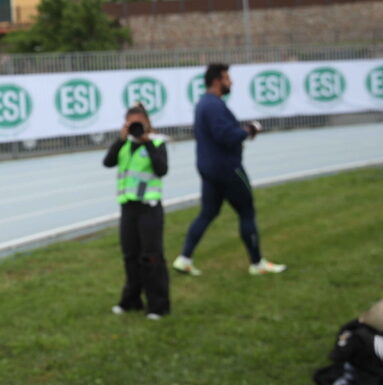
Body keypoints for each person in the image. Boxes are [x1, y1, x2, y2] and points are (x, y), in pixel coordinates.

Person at [172, 63, 286, 276]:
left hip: (209, 167)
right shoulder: (214, 105)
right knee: (246, 211)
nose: (231, 82)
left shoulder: (204, 104)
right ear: (217, 80)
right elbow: (224, 135)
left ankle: (184, 258)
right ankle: (256, 263)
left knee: (208, 212)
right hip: (228, 168)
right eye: (227, 78)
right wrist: (249, 130)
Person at [102, 103, 170, 320]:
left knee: (151, 257)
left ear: (148, 123)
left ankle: (158, 305)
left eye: (139, 123)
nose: (136, 128)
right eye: (131, 124)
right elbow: (108, 162)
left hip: (149, 209)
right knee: (130, 256)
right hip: (128, 207)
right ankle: (131, 300)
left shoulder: (157, 143)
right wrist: (121, 139)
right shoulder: (124, 144)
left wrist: (147, 143)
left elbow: (161, 169)